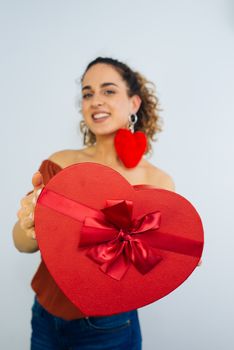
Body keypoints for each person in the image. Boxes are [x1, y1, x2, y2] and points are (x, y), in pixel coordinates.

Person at [13, 57, 176, 350]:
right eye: (88, 93)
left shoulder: (158, 184)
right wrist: (29, 223)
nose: (95, 101)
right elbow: (23, 245)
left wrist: (173, 257)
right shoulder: (60, 163)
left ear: (134, 103)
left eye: (108, 91)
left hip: (110, 327)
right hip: (45, 315)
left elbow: (145, 272)